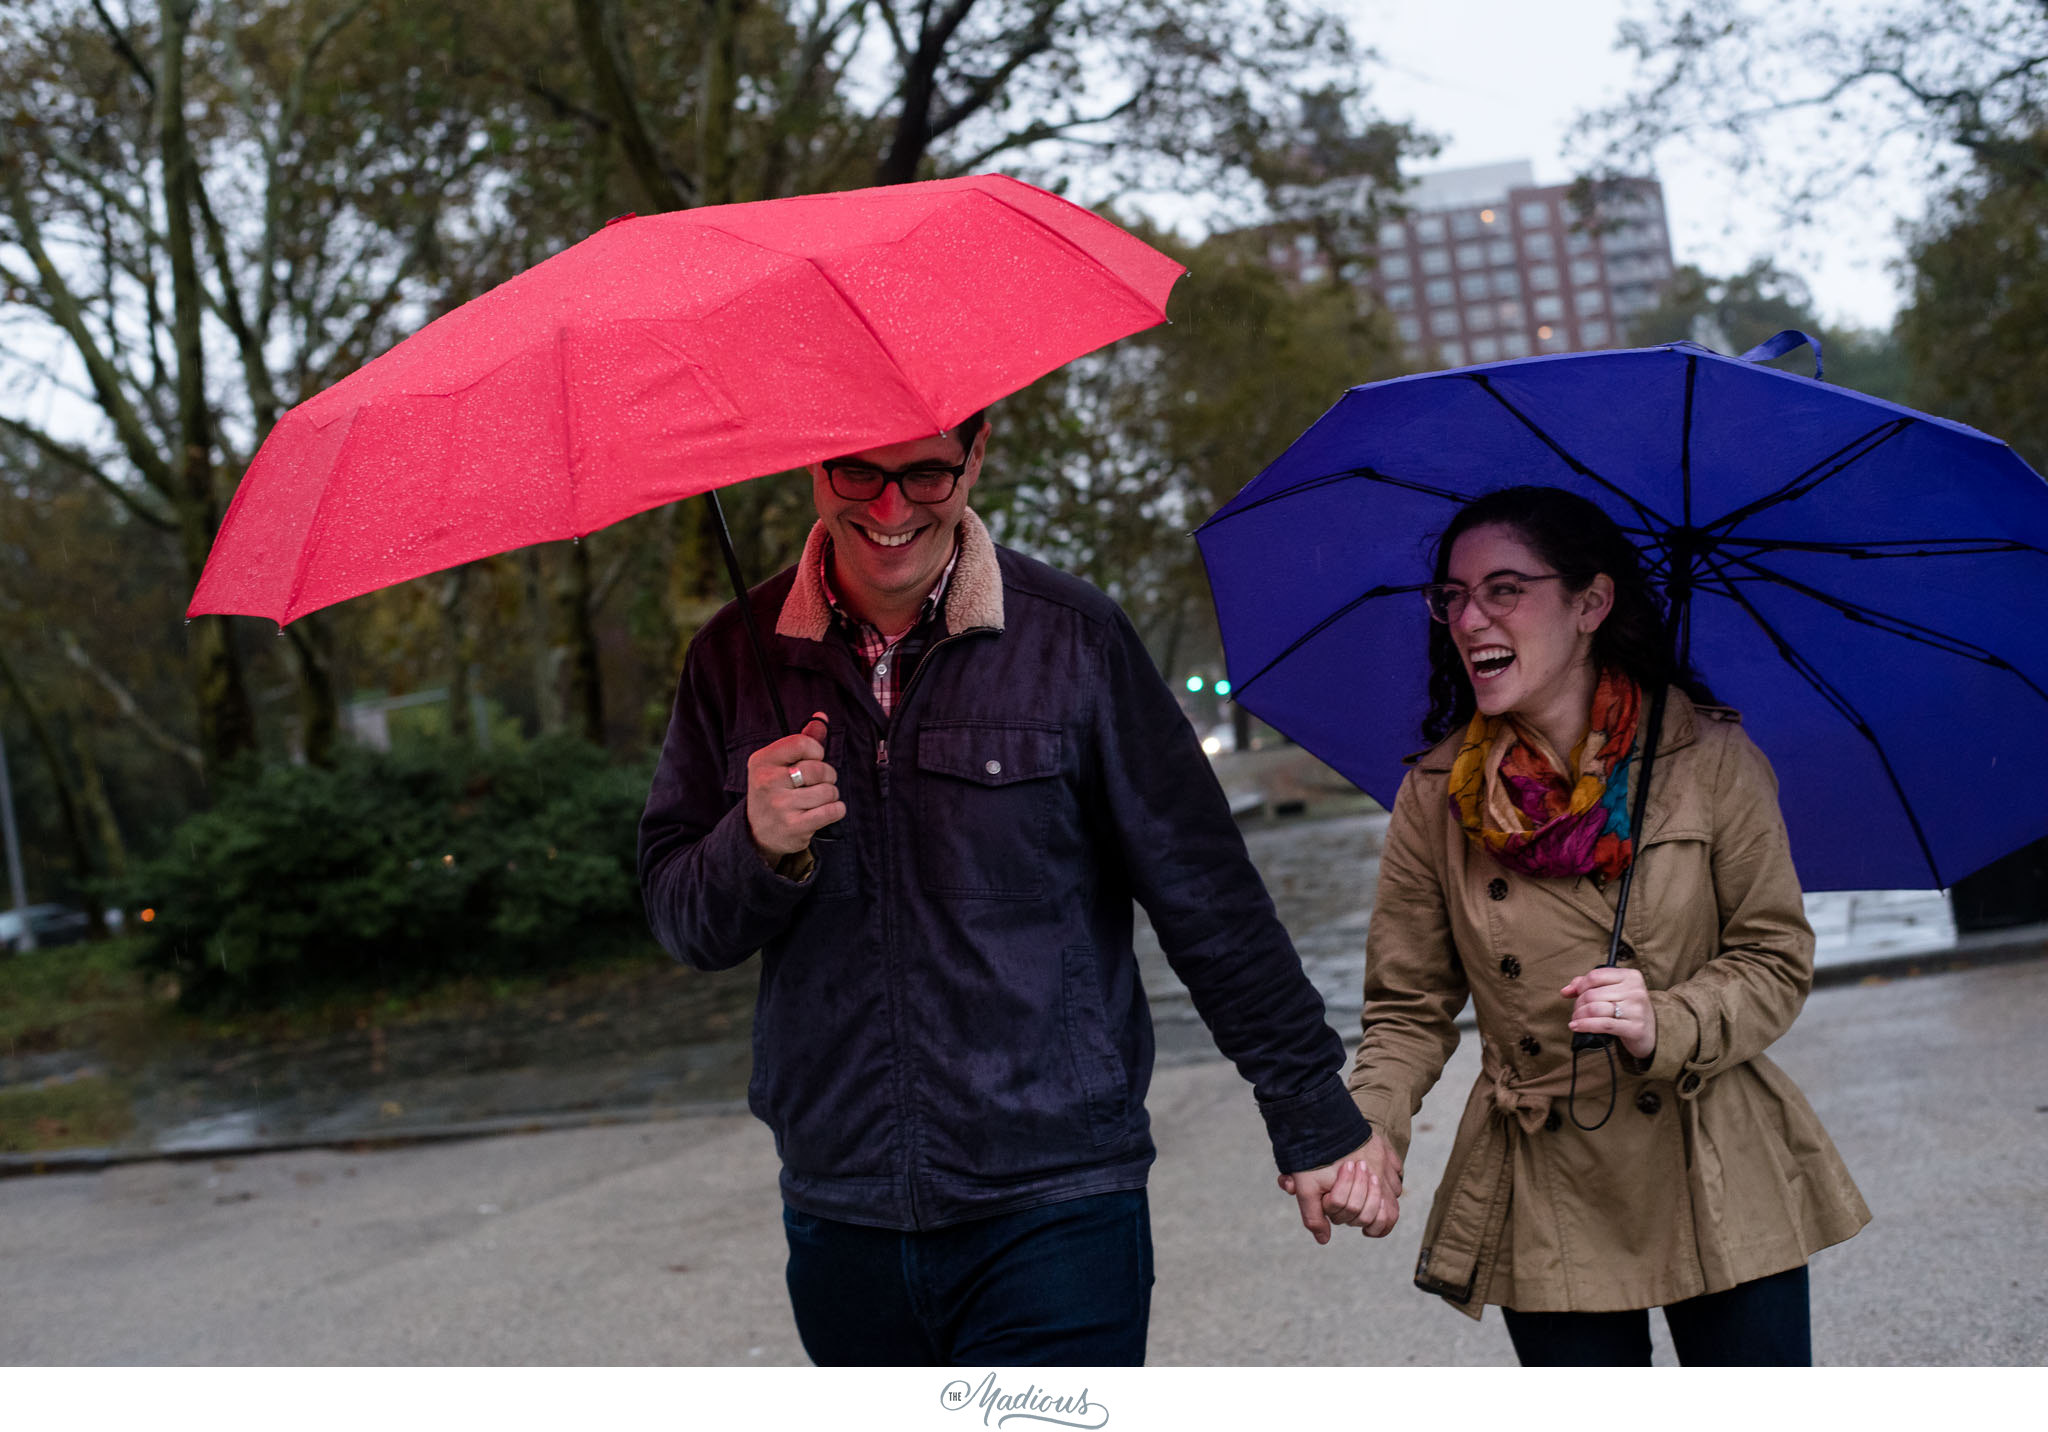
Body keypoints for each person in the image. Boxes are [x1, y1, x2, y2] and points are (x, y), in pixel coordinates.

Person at [638, 411, 1381, 1367]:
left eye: (929, 474)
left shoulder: (1074, 637)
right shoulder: (732, 660)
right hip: (841, 1206)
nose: (893, 507)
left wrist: (1311, 1114)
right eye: (859, 473)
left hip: (1058, 1202)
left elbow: (1205, 892)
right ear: (813, 464)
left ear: (977, 458)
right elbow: (680, 917)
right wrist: (755, 844)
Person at [1310, 484, 1869, 1365]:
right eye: (1452, 596)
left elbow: (1774, 959)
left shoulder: (1711, 759)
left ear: (1591, 604)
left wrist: (1669, 1017)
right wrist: (1367, 1131)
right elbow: (1408, 1010)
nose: (1468, 619)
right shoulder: (1433, 796)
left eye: (1504, 589)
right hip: (1547, 1179)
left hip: (1712, 1153)